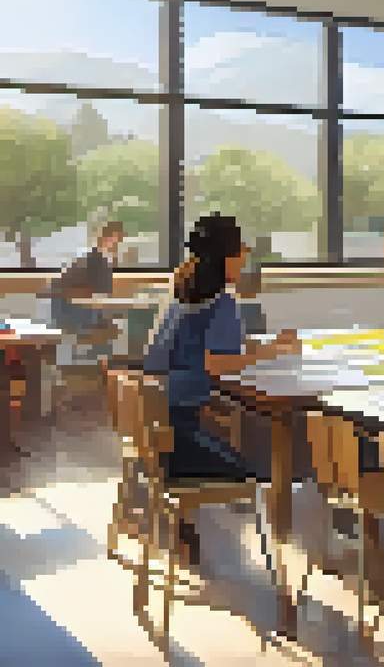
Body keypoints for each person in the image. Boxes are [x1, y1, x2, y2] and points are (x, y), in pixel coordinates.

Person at [143, 214, 301, 560]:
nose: (246, 252)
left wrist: (263, 348)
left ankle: (183, 525)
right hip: (182, 442)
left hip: (157, 437)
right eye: (240, 246)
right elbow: (217, 363)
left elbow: (193, 354)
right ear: (225, 255)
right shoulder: (222, 301)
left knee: (235, 420)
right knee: (266, 461)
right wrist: (275, 350)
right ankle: (284, 556)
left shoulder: (180, 291)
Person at [40, 220, 125, 360]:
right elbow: (86, 293)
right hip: (70, 311)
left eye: (118, 242)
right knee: (109, 327)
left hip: (74, 309)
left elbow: (101, 293)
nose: (116, 246)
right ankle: (97, 364)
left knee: (111, 326)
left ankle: (98, 364)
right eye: (114, 241)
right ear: (104, 239)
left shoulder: (99, 260)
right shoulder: (94, 260)